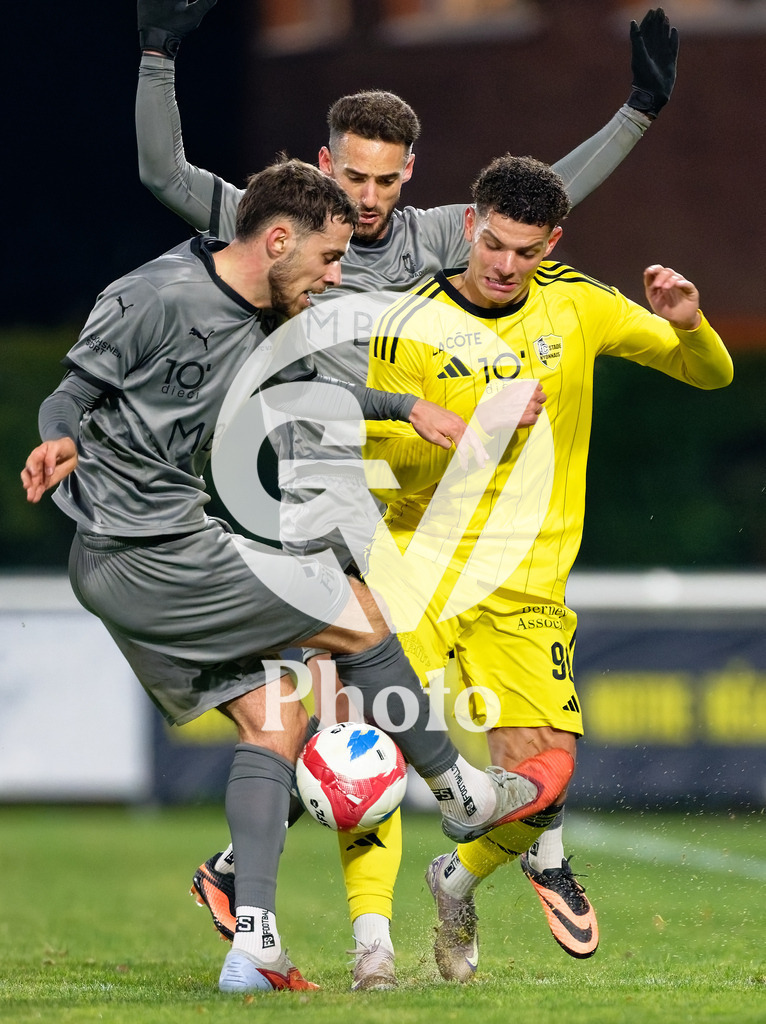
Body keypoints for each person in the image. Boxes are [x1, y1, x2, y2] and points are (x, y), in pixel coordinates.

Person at [133, 0, 681, 986]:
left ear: (411, 177)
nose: (369, 197)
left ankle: (266, 880)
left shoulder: (433, 238)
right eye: (354, 177)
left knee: (371, 723)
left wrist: (637, 110)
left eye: (387, 180)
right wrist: (158, 55)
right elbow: (165, 176)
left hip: (414, 503)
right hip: (321, 499)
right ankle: (345, 896)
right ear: (324, 163)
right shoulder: (281, 224)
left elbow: (542, 205)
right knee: (342, 717)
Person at [20, 156, 573, 994]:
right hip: (147, 547)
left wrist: (407, 408)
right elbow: (71, 393)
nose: (337, 276)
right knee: (354, 609)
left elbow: (316, 394)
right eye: (329, 258)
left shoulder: (274, 320)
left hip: (141, 554)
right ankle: (460, 792)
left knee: (277, 720)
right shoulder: (156, 294)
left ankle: (254, 945)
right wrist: (58, 438)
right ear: (278, 240)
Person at [361, 153, 733, 982]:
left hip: (526, 585)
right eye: (494, 243)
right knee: (370, 757)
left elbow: (712, 374)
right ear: (469, 225)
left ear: (552, 243)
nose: (505, 264)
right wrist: (477, 427)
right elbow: (385, 473)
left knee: (545, 779)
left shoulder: (578, 303)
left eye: (526, 251)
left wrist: (689, 324)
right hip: (418, 571)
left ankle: (456, 878)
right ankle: (368, 946)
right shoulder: (406, 324)